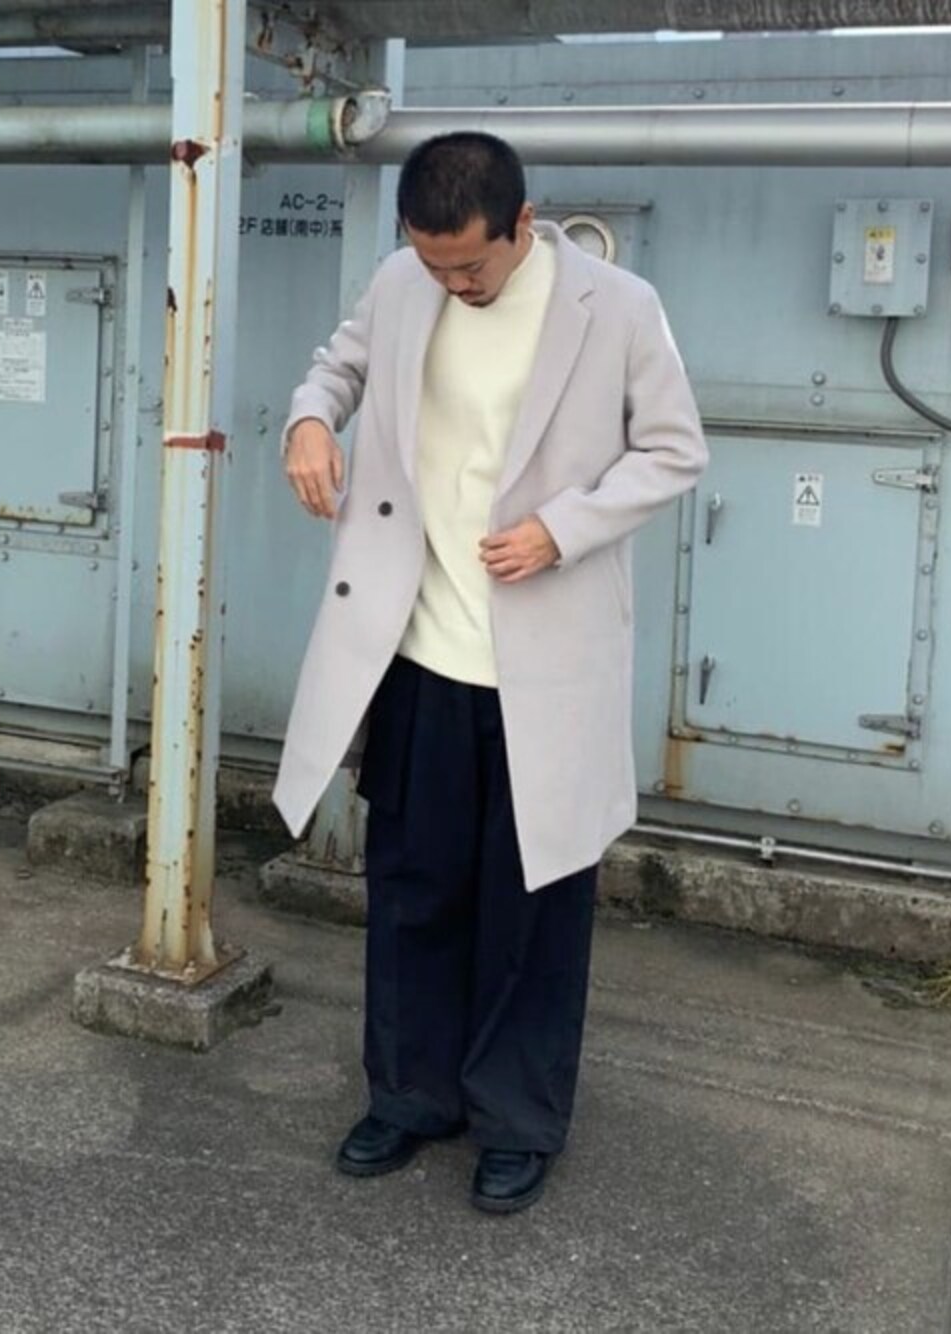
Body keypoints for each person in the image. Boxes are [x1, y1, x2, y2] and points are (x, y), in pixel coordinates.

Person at [275, 133, 707, 1214]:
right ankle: (409, 1093)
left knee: (535, 902)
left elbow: (673, 449)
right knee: (412, 887)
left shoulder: (617, 307)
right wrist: (309, 421)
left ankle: (517, 1116)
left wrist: (564, 528)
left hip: (544, 662)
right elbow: (337, 365)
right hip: (418, 645)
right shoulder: (401, 282)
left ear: (523, 224)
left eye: (469, 266)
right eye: (433, 264)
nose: (452, 285)